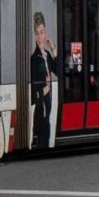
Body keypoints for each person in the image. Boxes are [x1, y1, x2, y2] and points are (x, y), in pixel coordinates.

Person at [30, 11, 56, 149]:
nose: (40, 37)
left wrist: (53, 49)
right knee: (42, 141)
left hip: (47, 109)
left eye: (42, 32)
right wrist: (44, 90)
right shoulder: (34, 59)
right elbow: (32, 92)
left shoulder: (46, 55)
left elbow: (57, 71)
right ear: (35, 35)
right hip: (41, 110)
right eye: (37, 33)